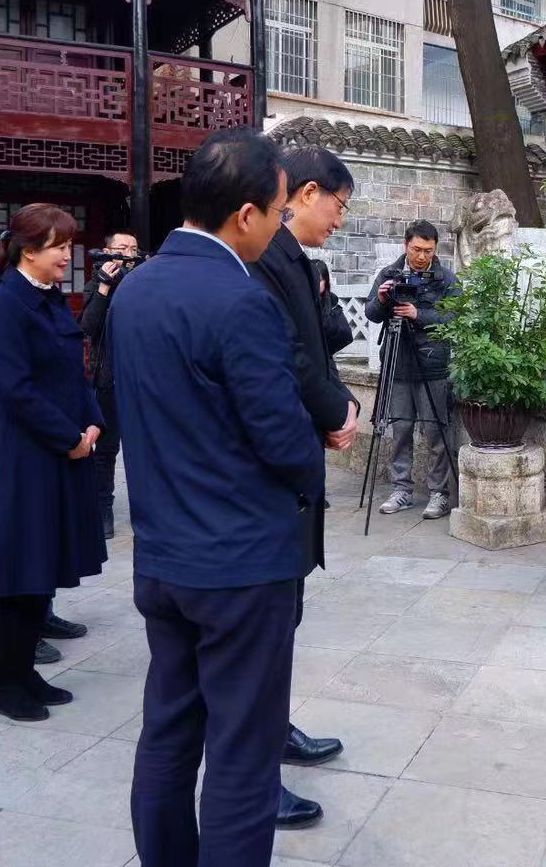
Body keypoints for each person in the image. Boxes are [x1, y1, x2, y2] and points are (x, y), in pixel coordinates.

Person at [112, 129, 323, 867]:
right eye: (274, 211)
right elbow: (285, 439)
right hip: (237, 564)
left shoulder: (133, 289)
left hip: (164, 556)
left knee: (169, 730)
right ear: (244, 214)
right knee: (242, 750)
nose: (277, 226)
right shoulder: (238, 299)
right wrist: (315, 454)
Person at [0, 203, 106, 722]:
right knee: (13, 572)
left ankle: (26, 671)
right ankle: (5, 683)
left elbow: (75, 374)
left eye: (69, 245)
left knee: (39, 566)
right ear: (27, 249)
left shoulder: (47, 301)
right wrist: (69, 436)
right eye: (58, 246)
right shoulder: (5, 306)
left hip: (57, 451)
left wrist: (91, 423)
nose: (68, 255)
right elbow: (14, 388)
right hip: (20, 457)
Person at [252, 145, 360, 828]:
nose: (340, 221)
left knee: (283, 621)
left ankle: (275, 729)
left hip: (294, 469)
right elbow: (289, 358)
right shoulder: (266, 258)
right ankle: (256, 766)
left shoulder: (301, 263)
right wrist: (337, 412)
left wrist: (336, 398)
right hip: (271, 476)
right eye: (340, 206)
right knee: (261, 632)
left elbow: (323, 345)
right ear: (308, 192)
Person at [364, 220, 459, 519]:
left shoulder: (445, 279)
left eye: (428, 250)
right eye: (416, 249)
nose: (421, 256)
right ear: (406, 245)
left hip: (432, 364)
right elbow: (371, 312)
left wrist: (420, 314)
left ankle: (439, 494)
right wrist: (382, 299)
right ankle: (401, 489)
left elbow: (455, 317)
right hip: (397, 361)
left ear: (435, 249)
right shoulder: (390, 274)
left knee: (434, 430)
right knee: (401, 428)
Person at [78, 228, 140, 540]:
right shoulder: (95, 284)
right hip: (109, 379)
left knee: (146, 447)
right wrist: (104, 285)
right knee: (105, 450)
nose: (127, 254)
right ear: (106, 250)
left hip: (143, 380)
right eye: (121, 248)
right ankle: (103, 508)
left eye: (132, 249)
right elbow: (88, 326)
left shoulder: (145, 282)